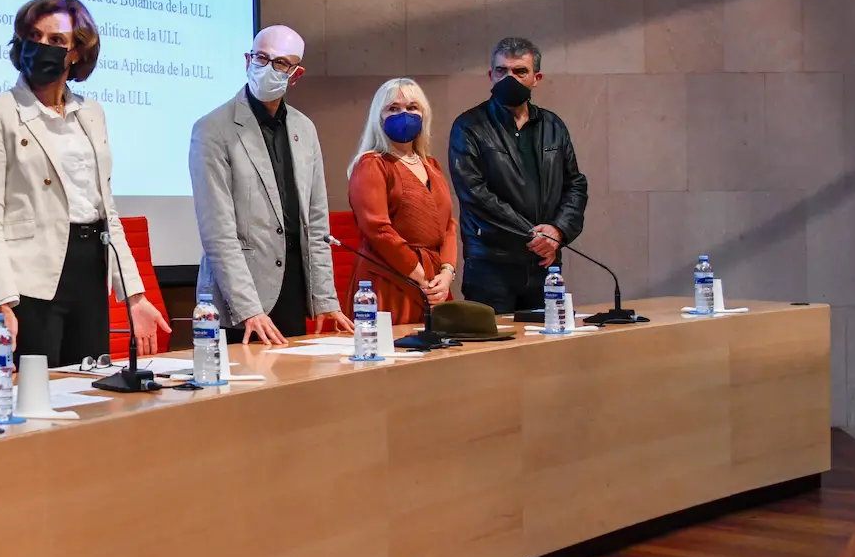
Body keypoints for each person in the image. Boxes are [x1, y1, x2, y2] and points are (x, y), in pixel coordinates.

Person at [0, 0, 170, 365]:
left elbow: (107, 209)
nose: (42, 46)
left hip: (91, 271)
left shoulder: (91, 113)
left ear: (76, 52)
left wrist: (135, 297)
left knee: (88, 394)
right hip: (32, 279)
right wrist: (1, 302)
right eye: (34, 36)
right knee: (38, 397)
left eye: (56, 40)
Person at [189, 25, 353, 345]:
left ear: (296, 74)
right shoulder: (212, 129)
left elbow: (316, 223)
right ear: (247, 60)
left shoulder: (304, 129)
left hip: (292, 287)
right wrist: (249, 309)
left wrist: (325, 299)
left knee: (294, 391)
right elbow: (218, 233)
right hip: (237, 301)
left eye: (280, 63)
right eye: (261, 58)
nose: (267, 68)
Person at [448, 36, 588, 313]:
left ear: (536, 77)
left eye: (519, 71)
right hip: (491, 266)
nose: (509, 78)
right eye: (502, 71)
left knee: (549, 349)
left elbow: (575, 185)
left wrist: (558, 231)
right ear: (491, 75)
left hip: (544, 264)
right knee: (493, 353)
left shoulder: (553, 125)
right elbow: (474, 193)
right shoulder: (469, 126)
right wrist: (535, 236)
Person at [348, 78, 458, 325]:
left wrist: (447, 273)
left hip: (434, 285)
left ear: (423, 114)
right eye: (393, 108)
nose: (404, 114)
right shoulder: (371, 164)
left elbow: (448, 225)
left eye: (412, 107)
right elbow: (377, 228)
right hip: (390, 279)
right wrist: (418, 273)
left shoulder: (432, 165)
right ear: (380, 116)